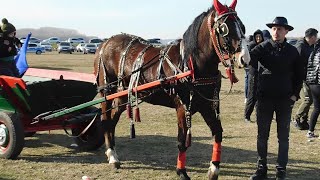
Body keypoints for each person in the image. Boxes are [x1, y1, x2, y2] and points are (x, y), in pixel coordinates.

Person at [248, 17, 304, 180]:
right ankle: (261, 169)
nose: (276, 32)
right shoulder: (262, 47)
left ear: (286, 31)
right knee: (262, 136)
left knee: (283, 137)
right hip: (264, 99)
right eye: (273, 28)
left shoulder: (293, 51)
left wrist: (295, 95)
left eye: (280, 29)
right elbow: (249, 58)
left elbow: (300, 75)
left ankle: (281, 171)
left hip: (285, 100)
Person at [292, 28, 318, 130]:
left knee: (309, 99)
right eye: (315, 37)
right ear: (311, 37)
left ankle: (304, 120)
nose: (316, 39)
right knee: (308, 100)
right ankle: (296, 118)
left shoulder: (311, 46)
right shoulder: (300, 47)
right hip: (301, 78)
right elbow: (296, 64)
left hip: (310, 78)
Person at [244, 29, 264, 122]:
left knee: (261, 96)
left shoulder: (264, 45)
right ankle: (247, 116)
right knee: (252, 95)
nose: (258, 38)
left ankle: (260, 115)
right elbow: (247, 59)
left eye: (260, 36)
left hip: (263, 73)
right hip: (253, 73)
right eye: (257, 37)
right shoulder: (251, 46)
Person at [305, 39, 320, 138]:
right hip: (318, 82)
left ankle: (310, 131)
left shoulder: (314, 52)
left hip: (312, 83)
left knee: (317, 108)